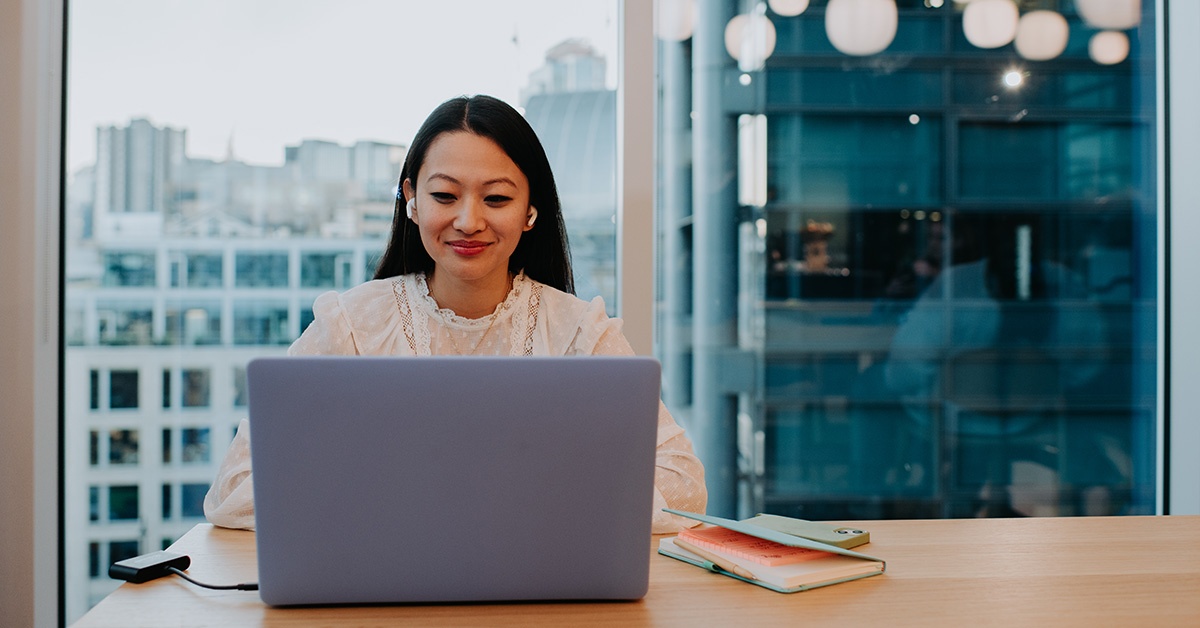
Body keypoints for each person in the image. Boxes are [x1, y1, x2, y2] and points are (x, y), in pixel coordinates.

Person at [203, 95, 707, 533]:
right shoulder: (352, 326)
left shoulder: (581, 333)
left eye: (497, 198)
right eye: (445, 195)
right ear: (411, 200)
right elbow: (236, 488)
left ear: (531, 210)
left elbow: (682, 483)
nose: (469, 221)